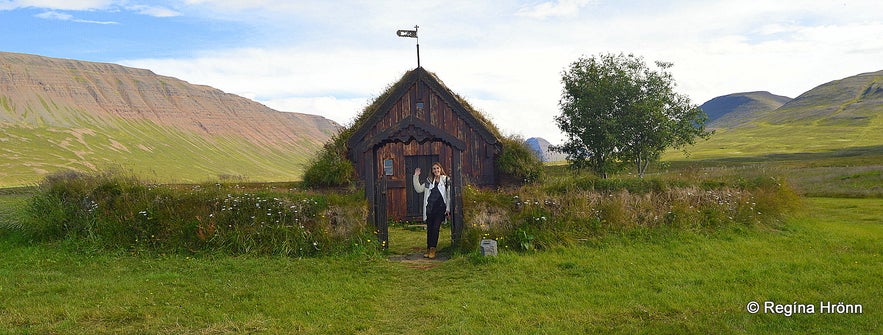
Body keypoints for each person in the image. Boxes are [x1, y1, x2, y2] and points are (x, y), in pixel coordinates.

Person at [412, 162, 450, 259]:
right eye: (434, 169)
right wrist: (416, 176)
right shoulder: (429, 181)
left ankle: (433, 249)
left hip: (440, 209)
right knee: (430, 229)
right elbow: (419, 189)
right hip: (430, 209)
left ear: (440, 169)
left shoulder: (445, 180)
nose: (436, 170)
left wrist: (448, 208)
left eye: (437, 168)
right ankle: (428, 249)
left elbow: (449, 195)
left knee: (436, 228)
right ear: (432, 171)